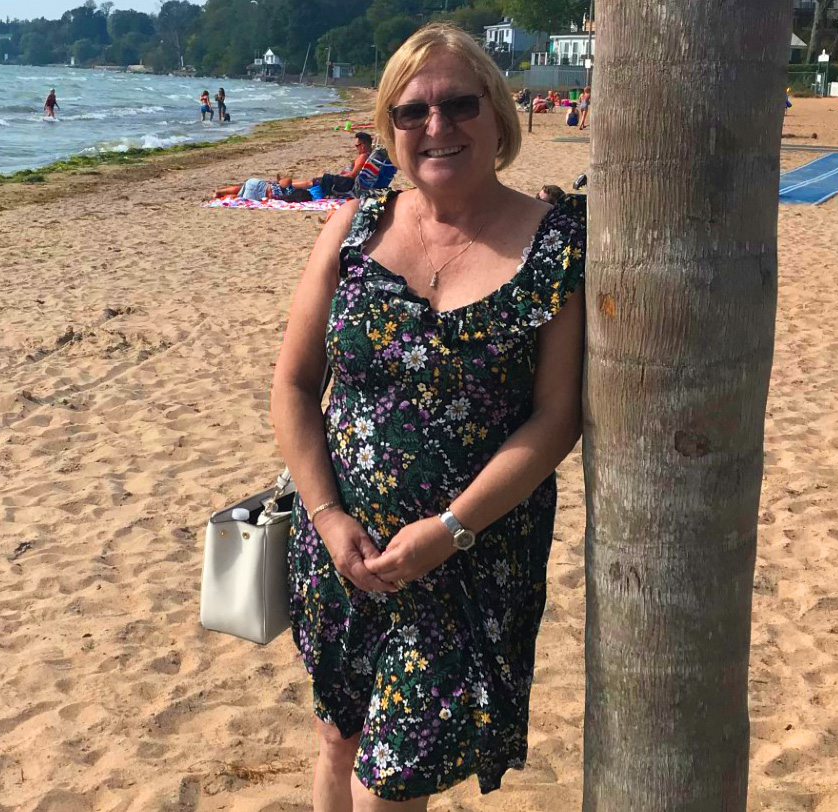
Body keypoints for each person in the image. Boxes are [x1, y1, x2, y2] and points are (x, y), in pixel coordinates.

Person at [270, 22, 585, 811]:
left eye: (459, 104)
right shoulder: (353, 229)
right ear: (391, 128)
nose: (437, 126)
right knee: (338, 741)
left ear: (499, 116)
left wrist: (449, 529)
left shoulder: (556, 246)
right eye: (412, 113)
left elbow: (555, 419)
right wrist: (329, 515)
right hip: (344, 554)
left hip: (469, 562)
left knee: (389, 788)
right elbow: (294, 384)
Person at [210, 132, 374, 200]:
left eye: (357, 145)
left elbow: (352, 175)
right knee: (240, 194)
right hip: (261, 189)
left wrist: (338, 176)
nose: (356, 148)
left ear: (364, 145)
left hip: (259, 186)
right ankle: (222, 195)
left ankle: (221, 193)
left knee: (312, 182)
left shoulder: (362, 156)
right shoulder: (365, 156)